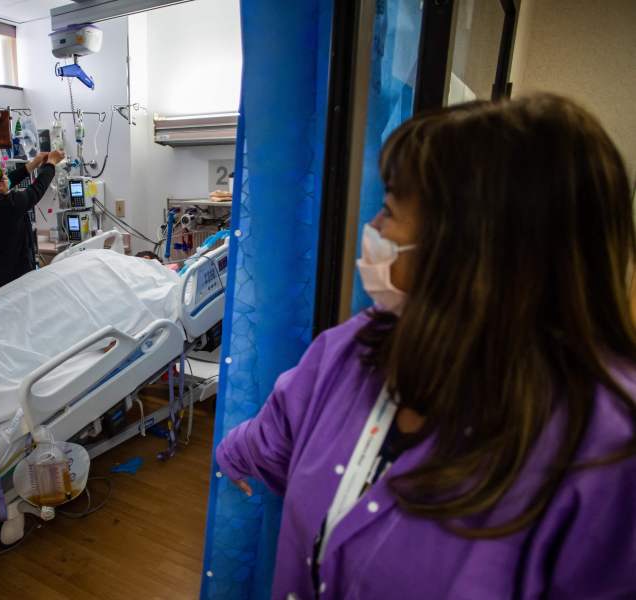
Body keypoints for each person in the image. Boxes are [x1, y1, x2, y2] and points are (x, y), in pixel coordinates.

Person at [216, 94, 636, 599]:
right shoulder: (355, 349)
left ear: (471, 247)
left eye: (389, 212)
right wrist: (231, 454)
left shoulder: (607, 456)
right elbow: (276, 430)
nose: (372, 230)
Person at [0, 150, 64, 297]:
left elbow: (8, 180)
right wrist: (51, 163)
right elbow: (37, 189)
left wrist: (34, 163)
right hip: (8, 286)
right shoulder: (9, 205)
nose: (6, 176)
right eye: (2, 174)